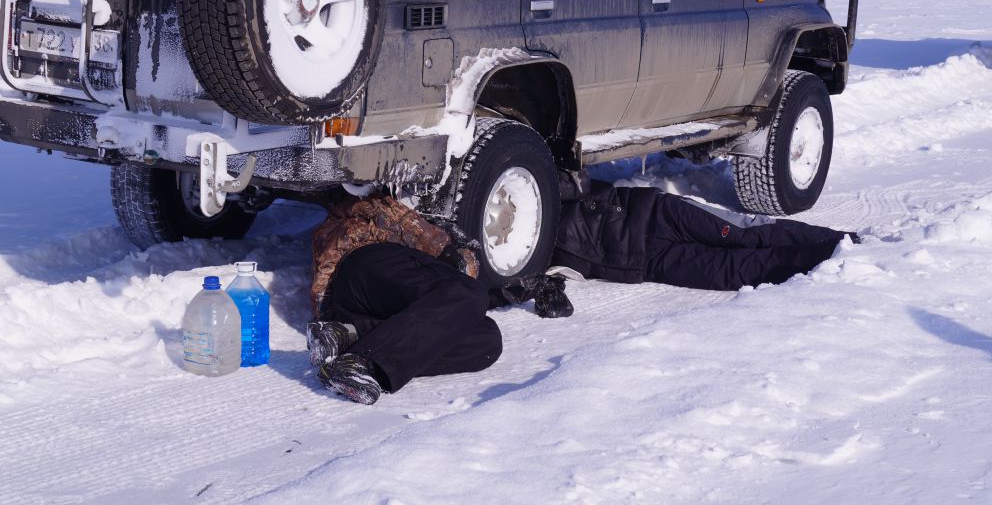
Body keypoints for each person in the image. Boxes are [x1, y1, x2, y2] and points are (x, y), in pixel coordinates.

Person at [306, 191, 572, 405]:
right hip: (366, 267)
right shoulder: (374, 209)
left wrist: (520, 288)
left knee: (487, 340)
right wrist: (453, 247)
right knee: (470, 294)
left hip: (363, 311)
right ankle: (363, 362)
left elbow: (457, 303)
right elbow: (463, 282)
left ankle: (348, 337)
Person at [551, 173, 857, 291]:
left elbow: (574, 180)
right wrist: (542, 290)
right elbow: (525, 280)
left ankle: (841, 240)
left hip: (655, 215)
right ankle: (821, 259)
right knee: (733, 272)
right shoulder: (533, 256)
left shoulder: (539, 191)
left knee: (745, 233)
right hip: (646, 262)